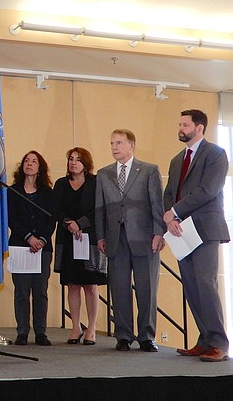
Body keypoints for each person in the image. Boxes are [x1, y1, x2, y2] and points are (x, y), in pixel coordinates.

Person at [163, 109, 230, 362]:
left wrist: (175, 211)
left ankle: (219, 343)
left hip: (205, 229)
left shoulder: (216, 154)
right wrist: (171, 216)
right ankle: (204, 340)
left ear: (199, 128)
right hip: (181, 231)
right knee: (191, 287)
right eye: (179, 124)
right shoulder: (176, 159)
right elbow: (169, 192)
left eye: (185, 124)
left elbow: (208, 190)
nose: (180, 128)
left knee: (205, 284)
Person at [95, 129, 165, 353]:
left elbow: (157, 204)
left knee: (146, 289)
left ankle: (146, 336)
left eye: (119, 143)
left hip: (145, 238)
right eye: (112, 143)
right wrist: (100, 236)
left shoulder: (149, 170)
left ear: (131, 145)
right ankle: (123, 335)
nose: (114, 147)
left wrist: (159, 233)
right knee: (119, 288)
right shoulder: (104, 173)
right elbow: (100, 208)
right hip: (116, 238)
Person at [53, 147, 105, 346]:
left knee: (90, 285)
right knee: (72, 284)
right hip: (67, 239)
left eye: (78, 159)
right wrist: (68, 223)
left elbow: (99, 210)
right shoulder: (61, 184)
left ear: (86, 163)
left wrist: (80, 224)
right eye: (71, 159)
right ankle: (75, 327)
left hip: (89, 238)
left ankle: (91, 329)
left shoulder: (95, 183)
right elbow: (55, 209)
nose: (73, 163)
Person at [7, 150, 56, 346]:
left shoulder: (48, 193)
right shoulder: (12, 191)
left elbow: (52, 219)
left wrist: (41, 240)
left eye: (34, 161)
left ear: (40, 168)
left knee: (40, 290)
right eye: (26, 160)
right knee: (21, 291)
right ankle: (22, 332)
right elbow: (11, 218)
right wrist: (29, 238)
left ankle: (41, 332)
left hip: (43, 249)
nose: (29, 164)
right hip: (20, 246)